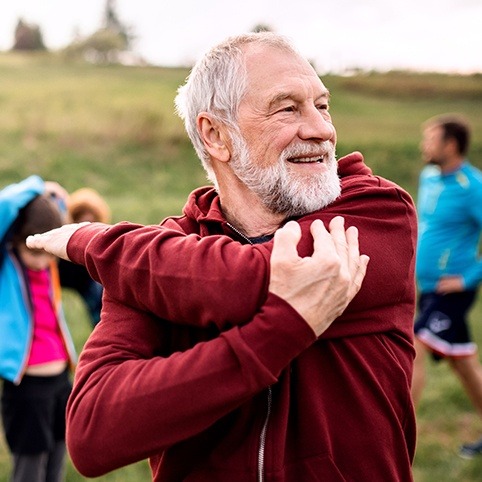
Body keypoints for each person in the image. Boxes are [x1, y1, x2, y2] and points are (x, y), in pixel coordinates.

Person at [28, 32, 417, 481]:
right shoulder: (158, 261)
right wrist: (280, 330)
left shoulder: (376, 211)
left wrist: (95, 242)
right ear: (216, 135)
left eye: (323, 105)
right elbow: (93, 434)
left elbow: (247, 282)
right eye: (288, 108)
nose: (321, 129)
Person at [411, 114, 482, 458]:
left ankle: (398, 434)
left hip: (452, 291)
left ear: (450, 145)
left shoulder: (474, 187)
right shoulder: (429, 177)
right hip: (427, 288)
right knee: (463, 363)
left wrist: (468, 277)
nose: (425, 145)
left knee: (414, 345)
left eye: (431, 139)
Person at [0, 176, 77, 482]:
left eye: (47, 253)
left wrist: (55, 197)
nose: (44, 261)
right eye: (34, 251)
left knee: (56, 464)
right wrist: (38, 185)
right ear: (16, 241)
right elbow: (5, 205)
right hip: (27, 389)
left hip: (61, 381)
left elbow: (60, 216)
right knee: (30, 470)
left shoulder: (48, 263)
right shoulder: (5, 264)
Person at [58, 187, 111, 327]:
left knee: (100, 305)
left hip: (84, 275)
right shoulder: (59, 238)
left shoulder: (99, 246)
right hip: (61, 270)